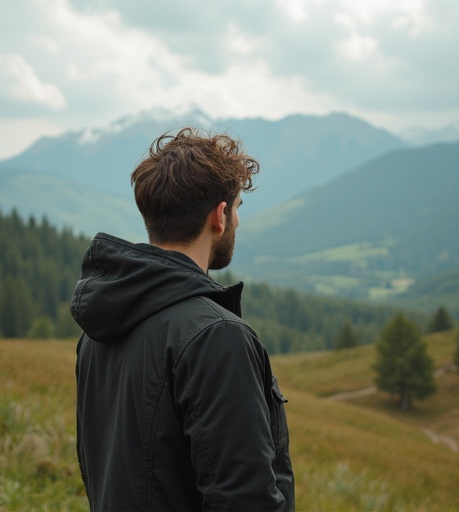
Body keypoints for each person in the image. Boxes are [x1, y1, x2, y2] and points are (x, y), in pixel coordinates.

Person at [71, 127, 295, 511]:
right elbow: (245, 500)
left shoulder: (98, 331)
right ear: (220, 216)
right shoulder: (216, 336)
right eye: (238, 207)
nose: (237, 221)